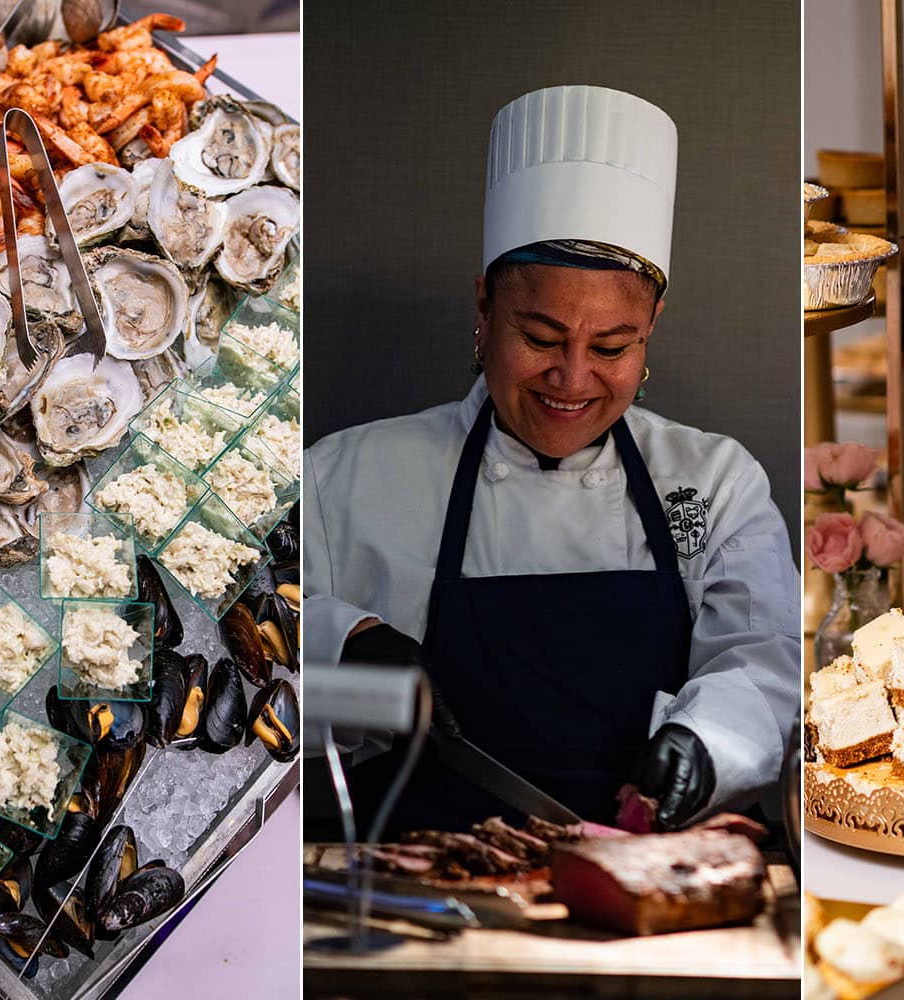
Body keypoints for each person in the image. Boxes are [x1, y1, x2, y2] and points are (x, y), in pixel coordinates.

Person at [305, 84, 799, 835]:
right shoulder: (341, 476)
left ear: (652, 327)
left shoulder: (717, 480)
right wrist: (345, 643)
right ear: (482, 311)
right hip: (412, 898)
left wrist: (709, 742)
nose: (571, 379)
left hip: (639, 895)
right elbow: (250, 646)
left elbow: (766, 659)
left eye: (611, 347)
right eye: (539, 338)